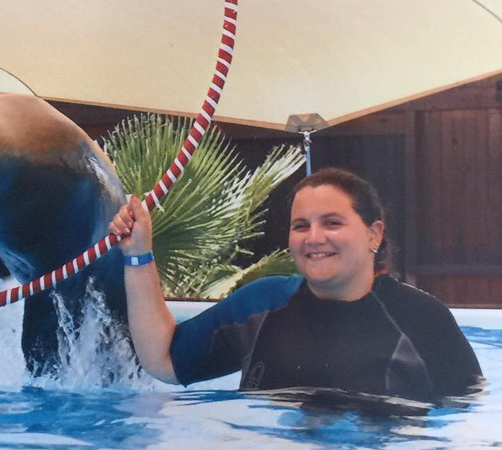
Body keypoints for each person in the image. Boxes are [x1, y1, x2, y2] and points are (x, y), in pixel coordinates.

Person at [110, 167, 483, 401]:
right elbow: (165, 362)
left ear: (374, 233)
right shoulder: (263, 303)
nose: (314, 238)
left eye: (332, 223)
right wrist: (139, 254)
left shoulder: (421, 318)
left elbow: (466, 419)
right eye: (301, 226)